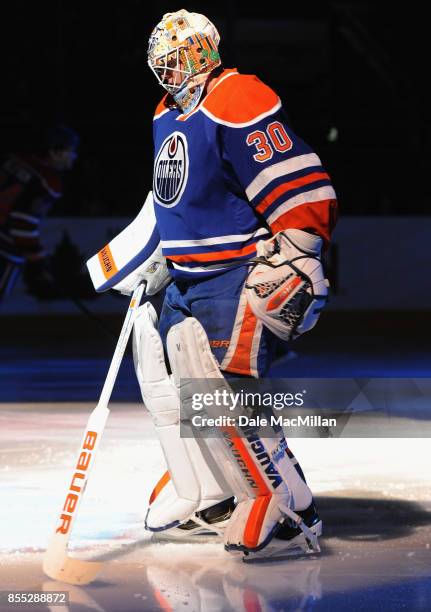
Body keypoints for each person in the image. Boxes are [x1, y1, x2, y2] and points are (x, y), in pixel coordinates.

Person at [90, 8, 337, 560]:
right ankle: (204, 491)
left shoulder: (236, 96)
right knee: (163, 376)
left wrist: (302, 251)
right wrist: (149, 257)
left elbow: (294, 175)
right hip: (183, 277)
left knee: (218, 392)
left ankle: (280, 503)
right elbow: (169, 196)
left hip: (233, 274)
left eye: (175, 59)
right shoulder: (164, 112)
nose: (165, 71)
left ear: (203, 51)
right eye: (160, 62)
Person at [0, 124, 80, 301]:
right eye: (71, 151)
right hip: (4, 249)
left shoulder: (12, 159)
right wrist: (37, 260)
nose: (74, 156)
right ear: (54, 152)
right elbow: (23, 222)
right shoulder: (49, 181)